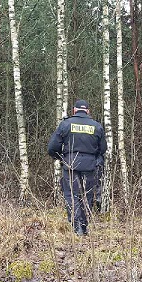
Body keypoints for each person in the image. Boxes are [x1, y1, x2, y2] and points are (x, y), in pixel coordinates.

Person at [47, 100, 107, 236]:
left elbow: (52, 147)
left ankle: (76, 226)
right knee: (87, 195)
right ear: (88, 111)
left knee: (71, 195)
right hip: (90, 166)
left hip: (70, 164)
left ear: (74, 110)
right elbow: (103, 148)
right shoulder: (97, 126)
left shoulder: (65, 124)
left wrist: (61, 158)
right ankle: (84, 226)